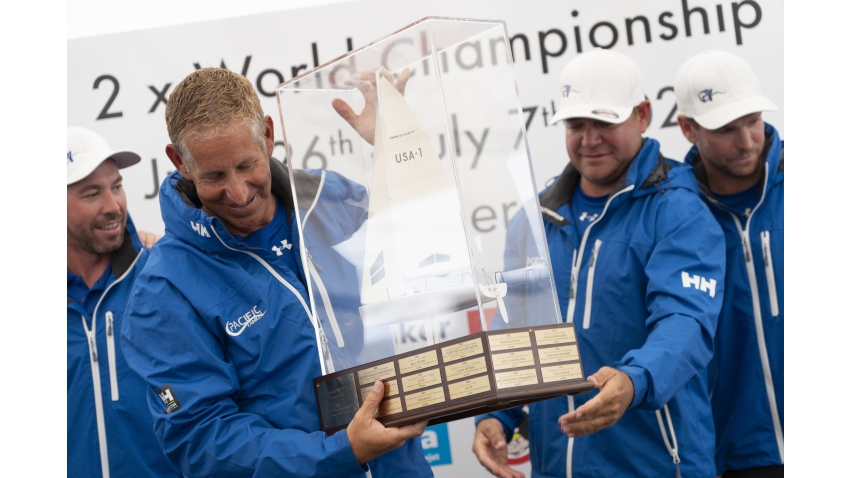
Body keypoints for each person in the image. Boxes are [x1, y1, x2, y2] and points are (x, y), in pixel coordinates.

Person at [119, 67, 432, 477]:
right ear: (180, 161)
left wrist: (395, 150)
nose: (238, 192)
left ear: (267, 135)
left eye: (247, 164)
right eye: (214, 176)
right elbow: (199, 438)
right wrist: (341, 452)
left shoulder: (329, 199)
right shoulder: (164, 289)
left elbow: (429, 254)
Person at [471, 48, 726, 478]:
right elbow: (516, 333)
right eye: (575, 124)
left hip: (657, 465)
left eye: (604, 122)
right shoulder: (536, 221)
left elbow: (685, 322)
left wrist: (634, 380)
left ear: (642, 115)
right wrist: (498, 415)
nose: (589, 140)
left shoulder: (679, 212)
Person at [675, 50, 784, 478]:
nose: (747, 141)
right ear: (688, 128)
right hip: (734, 453)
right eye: (726, 129)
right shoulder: (672, 214)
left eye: (753, 121)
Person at [67, 126, 180, 477]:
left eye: (117, 186)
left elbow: (190, 402)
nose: (113, 206)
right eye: (91, 194)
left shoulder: (161, 276)